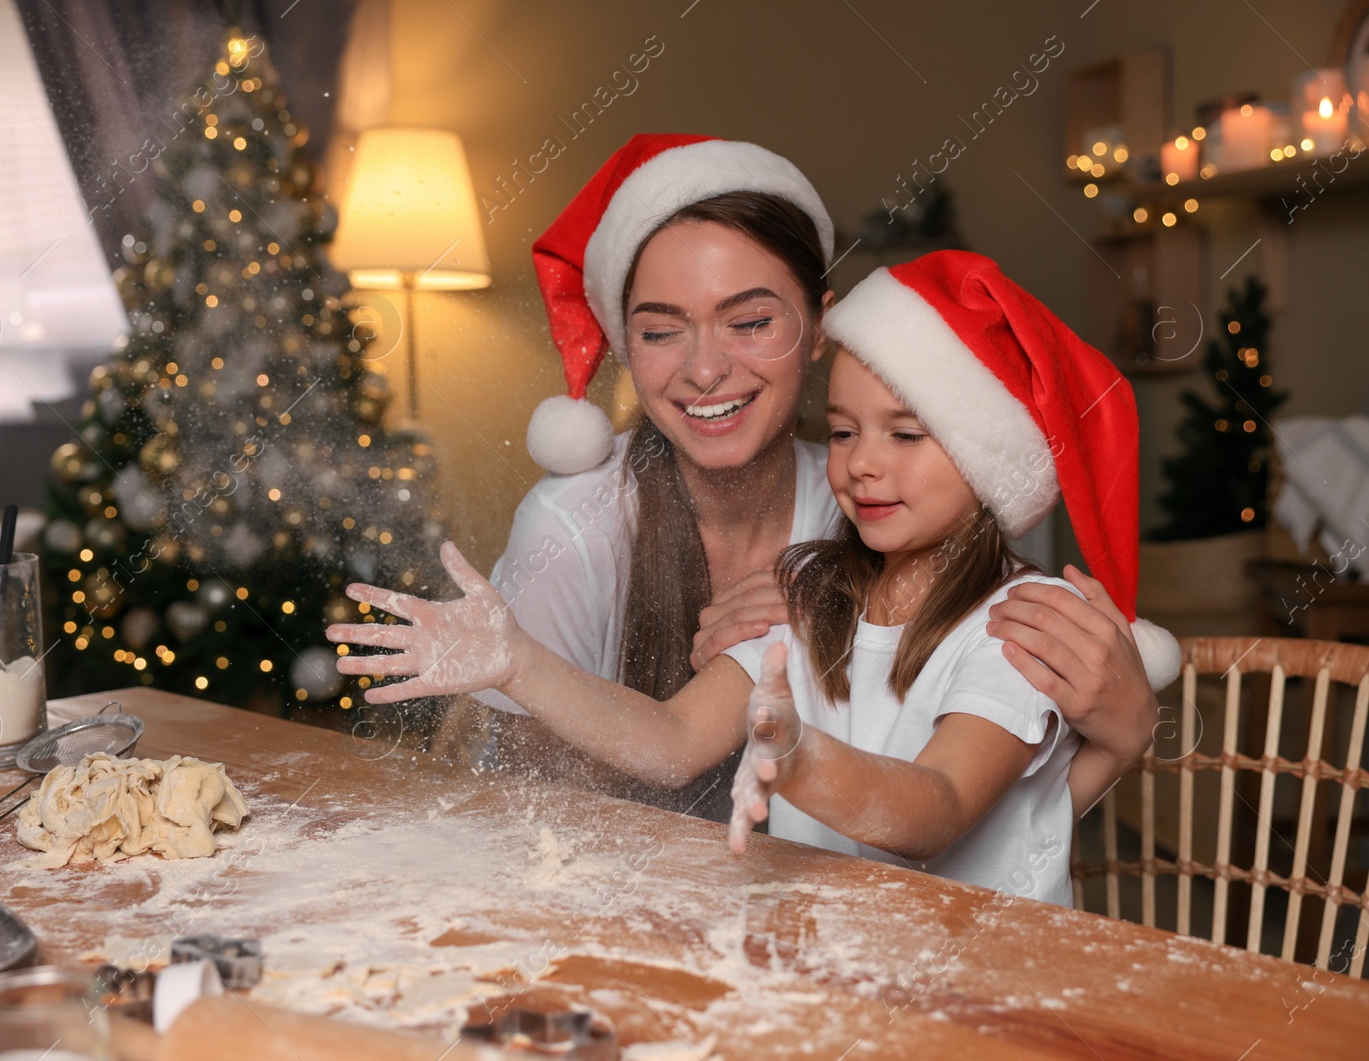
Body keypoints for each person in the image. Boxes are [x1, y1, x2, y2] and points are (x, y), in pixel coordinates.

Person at [328, 251, 1181, 905]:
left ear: (989, 463)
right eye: (843, 433)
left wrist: (799, 757)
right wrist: (517, 661)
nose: (863, 467)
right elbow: (667, 743)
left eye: (908, 436)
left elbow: (936, 809)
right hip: (840, 962)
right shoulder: (810, 588)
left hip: (989, 983)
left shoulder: (1026, 622)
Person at [442, 135, 1170, 823]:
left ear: (821, 325)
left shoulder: (873, 521)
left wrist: (1120, 738)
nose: (704, 369)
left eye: (750, 321)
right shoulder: (574, 529)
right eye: (661, 330)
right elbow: (532, 802)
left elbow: (985, 830)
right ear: (626, 347)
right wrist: (734, 723)